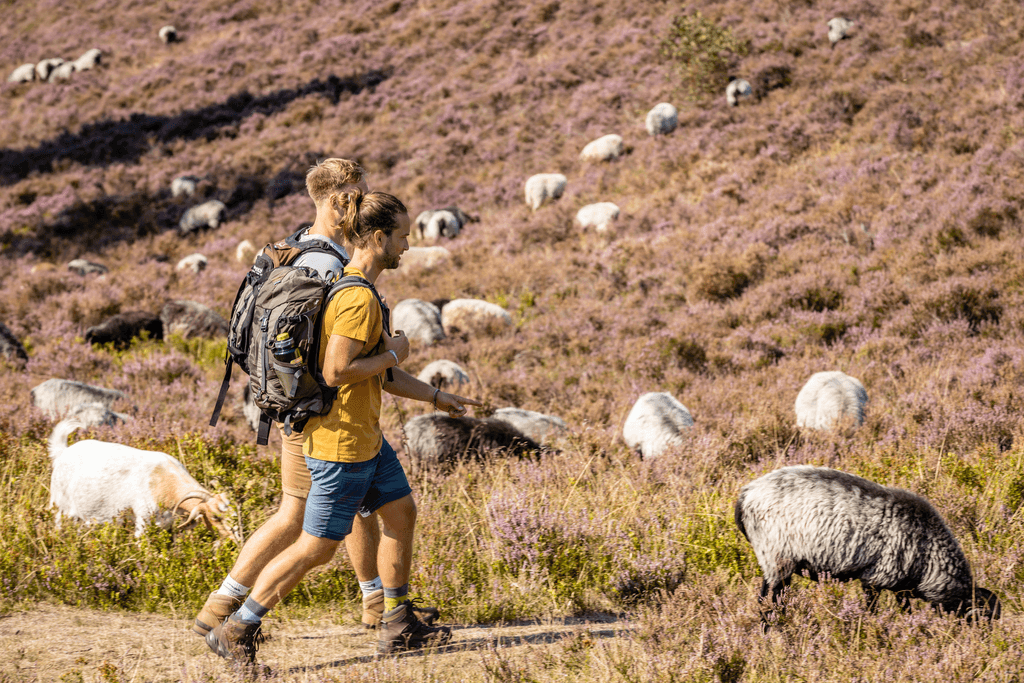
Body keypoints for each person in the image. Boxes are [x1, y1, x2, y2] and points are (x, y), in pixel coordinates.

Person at [206, 189, 480, 661]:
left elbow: (381, 375)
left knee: (400, 512)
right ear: (377, 238)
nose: (407, 245)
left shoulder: (362, 290)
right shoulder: (356, 299)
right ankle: (236, 628)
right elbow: (337, 371)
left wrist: (437, 396)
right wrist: (395, 352)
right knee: (317, 547)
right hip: (341, 444)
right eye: (401, 236)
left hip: (367, 439)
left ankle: (397, 621)